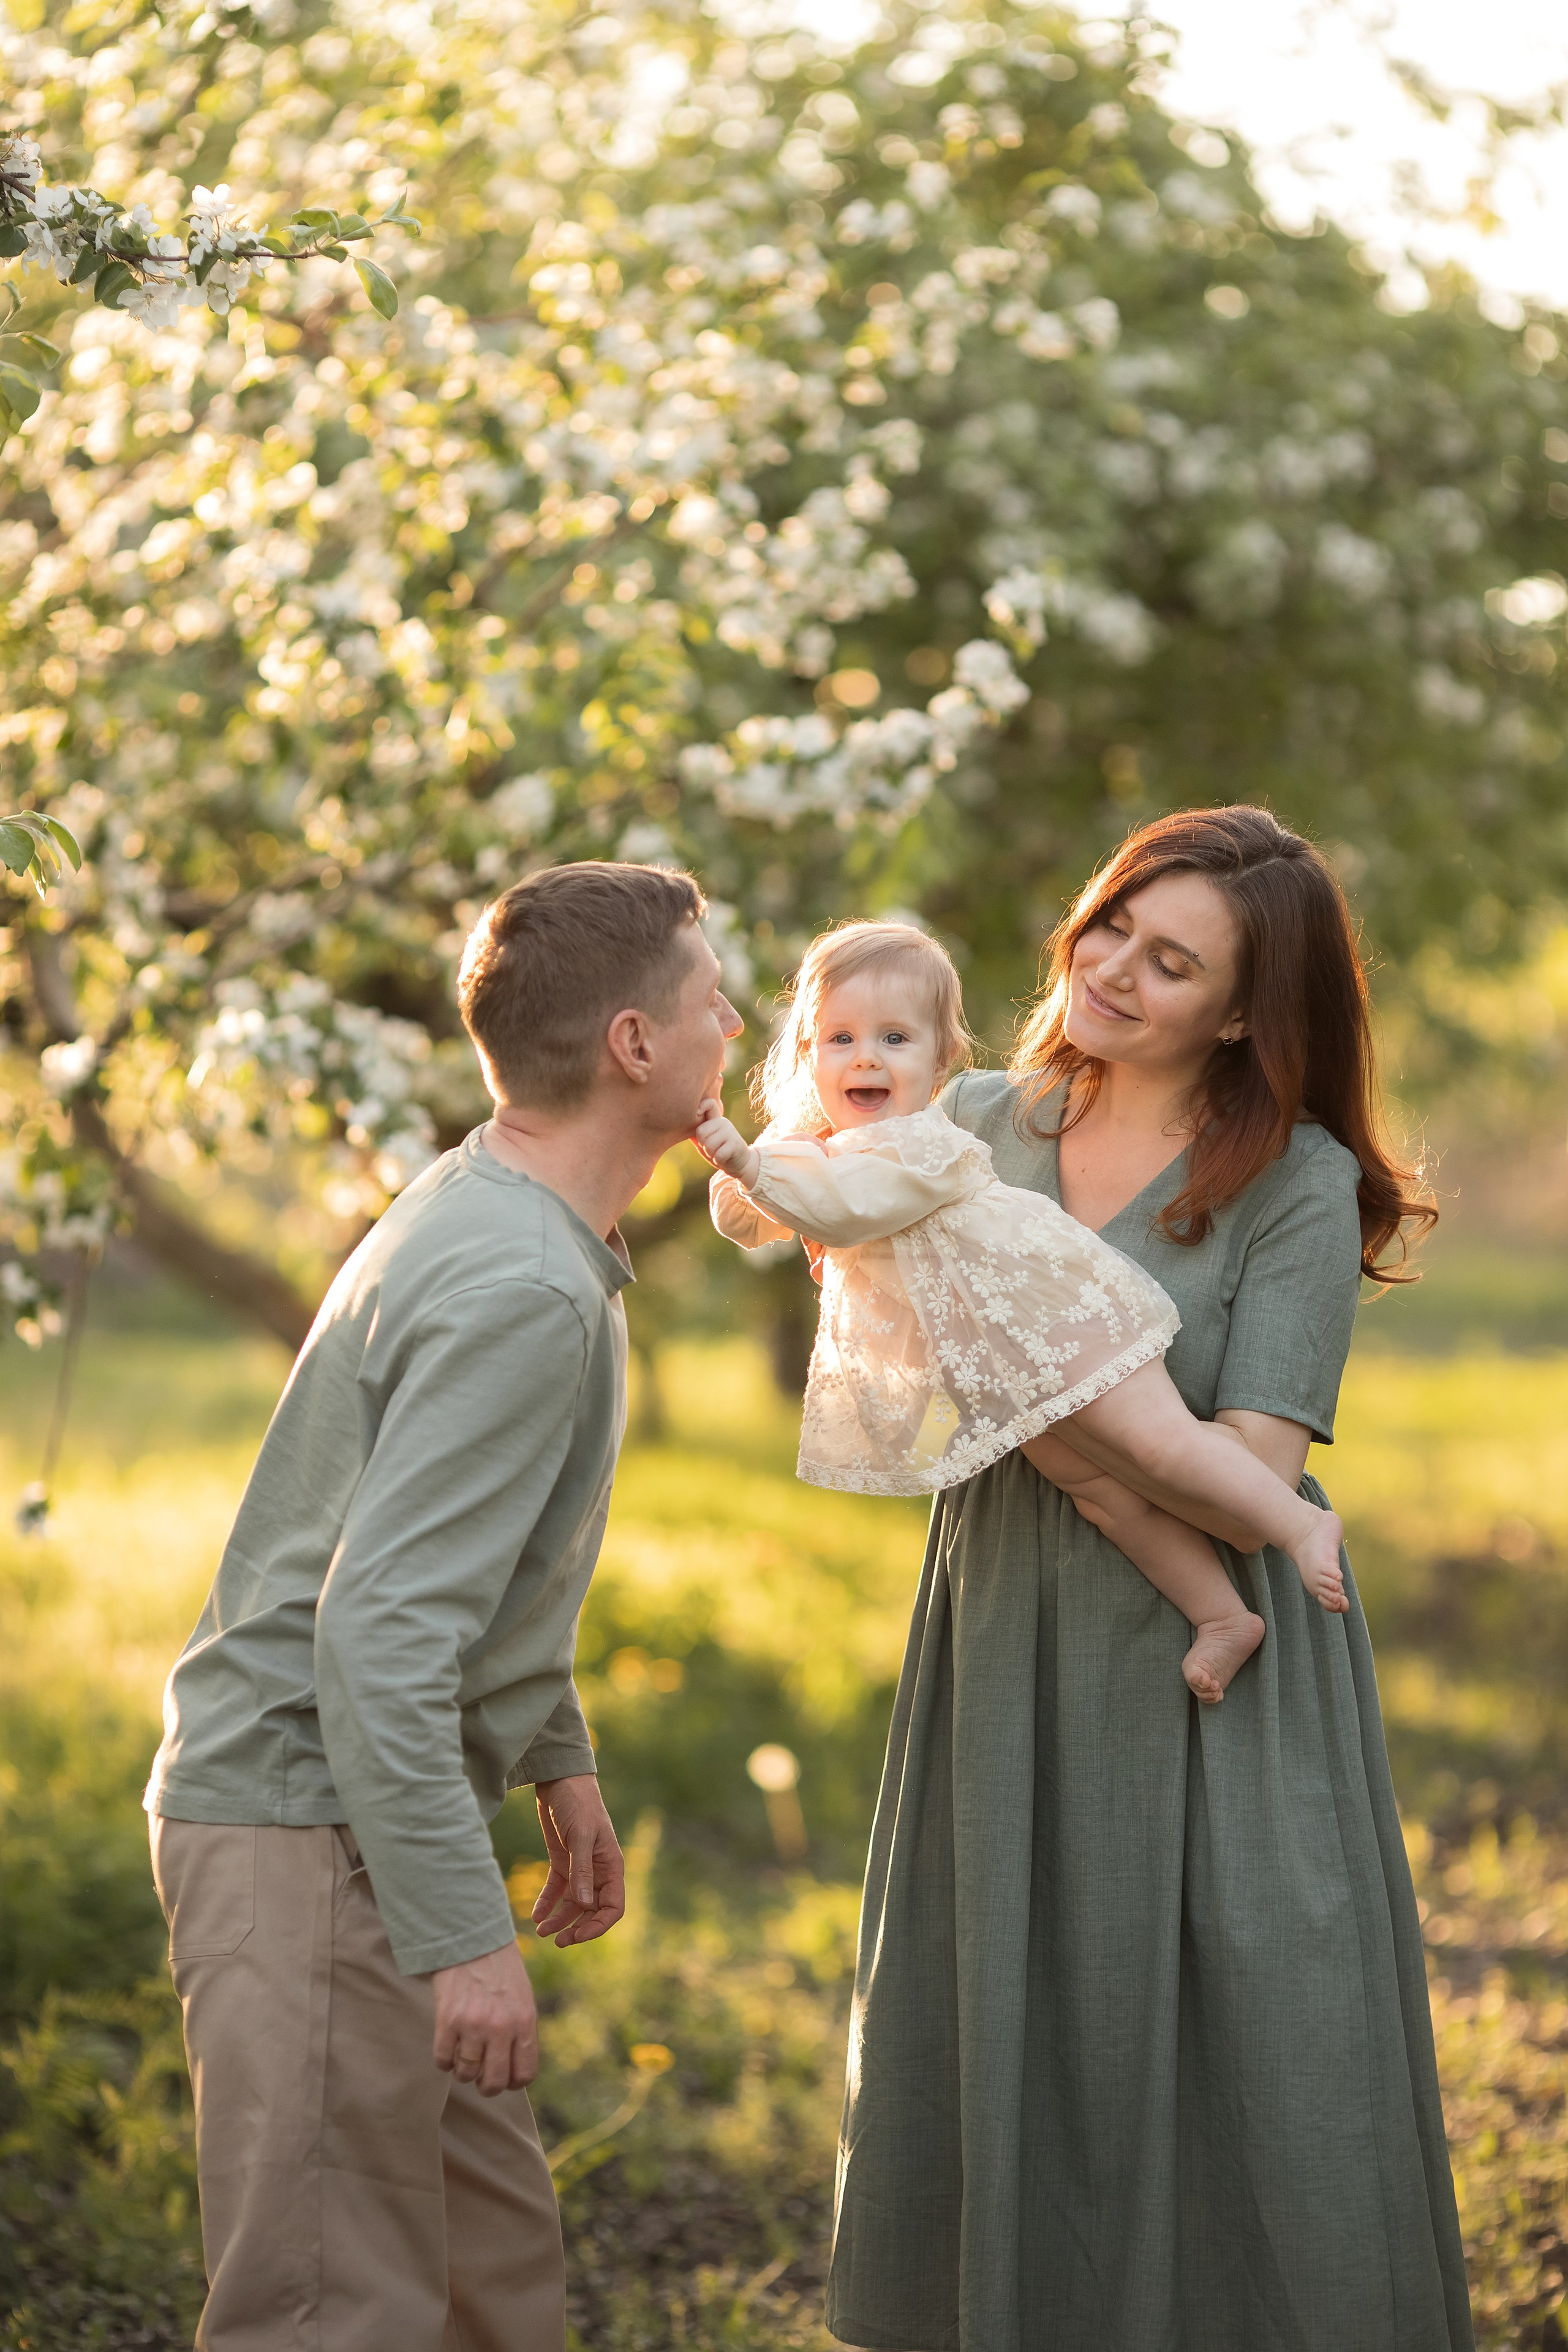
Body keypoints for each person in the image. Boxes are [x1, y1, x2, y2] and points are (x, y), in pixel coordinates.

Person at [818, 809, 1473, 2352]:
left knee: (1255, 2030)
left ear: (1241, 1011)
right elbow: (890, 1349)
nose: (1110, 966)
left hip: (1213, 1663)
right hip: (1005, 1627)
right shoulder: (970, 1116)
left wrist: (1042, 1390)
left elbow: (1244, 1461)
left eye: (1168, 960)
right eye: (1112, 920)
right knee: (1015, 2003)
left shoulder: (1294, 1181)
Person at [143, 861, 742, 2352]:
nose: (736, 1020)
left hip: (363, 1815)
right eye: (711, 996)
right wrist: (464, 1932)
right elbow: (378, 1632)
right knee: (336, 2309)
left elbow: (472, 1565)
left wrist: (555, 1755)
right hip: (303, 1825)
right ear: (631, 1044)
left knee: (489, 2286)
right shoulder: (520, 1284)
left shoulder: (507, 1212)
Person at [698, 919, 1349, 1703]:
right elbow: (752, 1222)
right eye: (839, 1038)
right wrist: (737, 1173)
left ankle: (1298, 1525)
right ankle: (1219, 1615)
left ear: (940, 1061)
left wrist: (749, 1163)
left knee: (1163, 1444)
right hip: (1016, 1383)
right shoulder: (825, 1150)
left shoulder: (921, 1143)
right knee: (1101, 1491)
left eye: (895, 1038)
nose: (865, 1056)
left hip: (1059, 1324)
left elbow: (842, 1214)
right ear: (806, 1053)